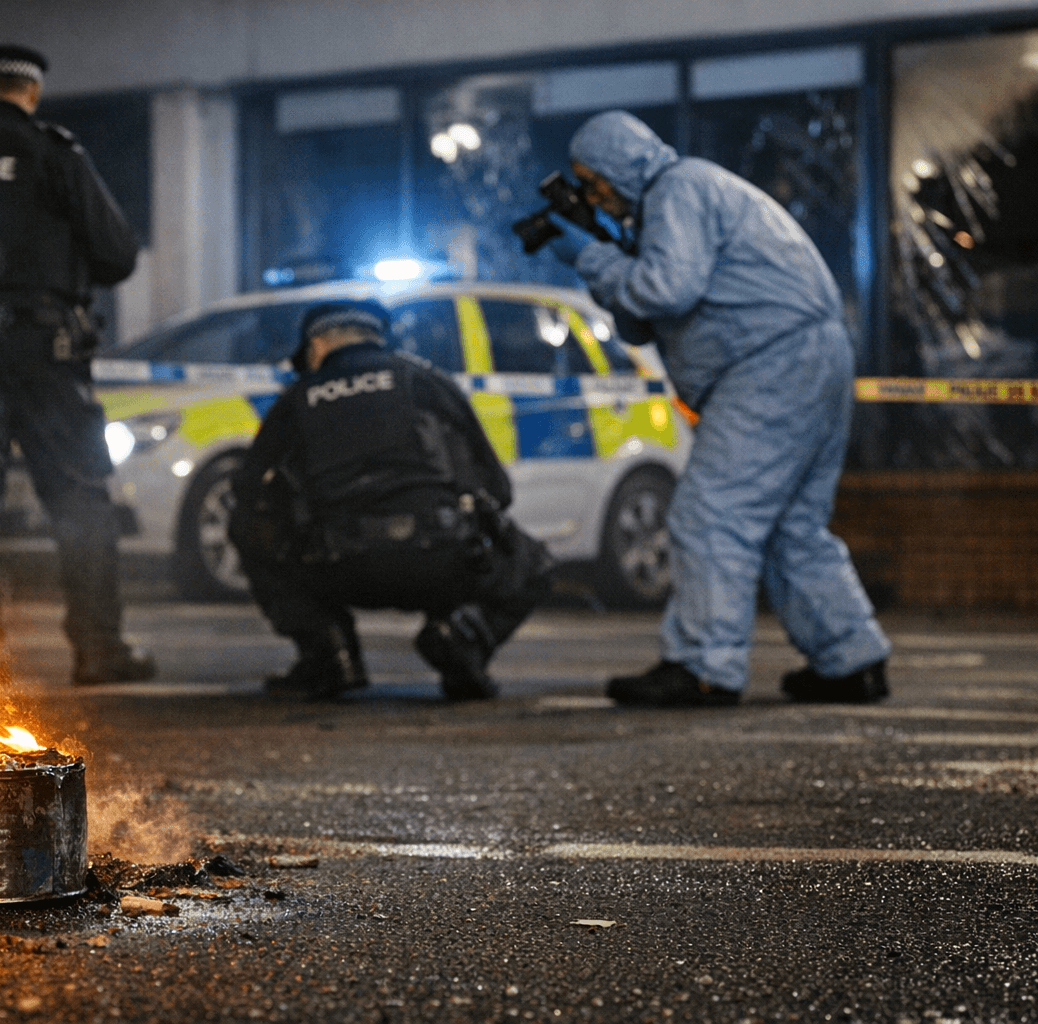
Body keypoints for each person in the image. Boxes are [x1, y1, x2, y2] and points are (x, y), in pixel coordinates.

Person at [542, 109, 891, 707]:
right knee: (790, 526)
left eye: (594, 179)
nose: (594, 193)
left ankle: (704, 666)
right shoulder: (685, 198)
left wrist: (591, 259)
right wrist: (611, 245)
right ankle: (850, 658)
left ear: (622, 166)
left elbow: (666, 290)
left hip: (768, 362)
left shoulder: (678, 188)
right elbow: (643, 320)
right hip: (811, 357)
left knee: (710, 513)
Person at [0, 44, 154, 685]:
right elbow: (116, 253)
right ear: (30, 93)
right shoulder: (53, 152)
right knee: (79, 499)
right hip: (43, 351)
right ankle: (100, 649)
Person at [228, 300, 553, 701]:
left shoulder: (297, 399)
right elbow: (499, 489)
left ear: (316, 346)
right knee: (534, 563)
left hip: (338, 565)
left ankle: (330, 652)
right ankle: (462, 638)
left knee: (246, 527)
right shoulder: (426, 381)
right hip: (440, 560)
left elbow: (247, 491)